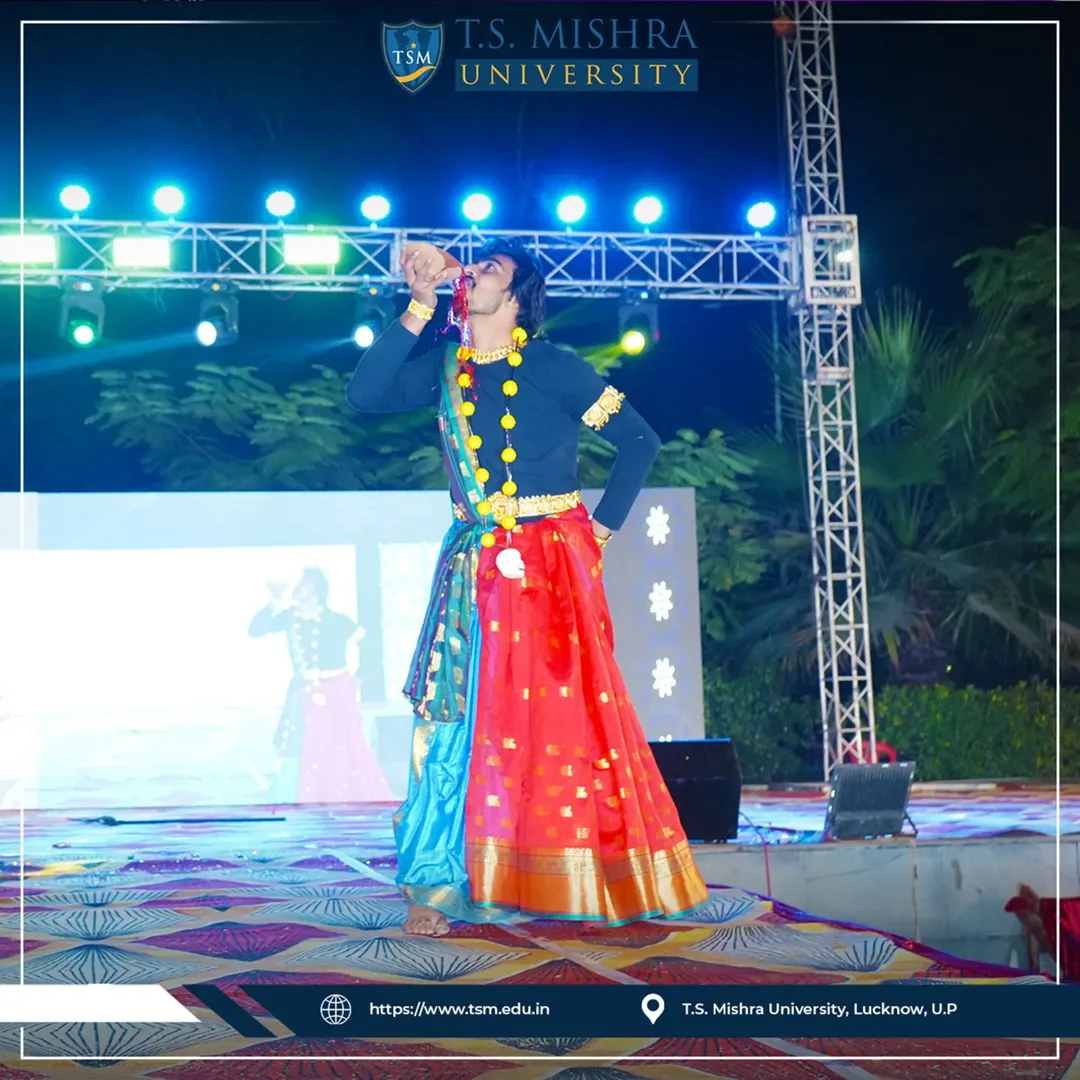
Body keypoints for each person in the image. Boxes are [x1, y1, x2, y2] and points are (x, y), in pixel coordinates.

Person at [347, 240, 708, 936]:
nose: (474, 272)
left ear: (516, 298)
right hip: (473, 571)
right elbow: (364, 394)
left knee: (562, 724)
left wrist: (597, 535)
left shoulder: (553, 366)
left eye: (490, 269)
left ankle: (571, 875)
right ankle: (440, 885)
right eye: (475, 266)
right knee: (460, 722)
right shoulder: (444, 370)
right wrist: (419, 305)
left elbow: (640, 443)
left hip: (552, 570)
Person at [248, 567, 393, 804]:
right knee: (307, 743)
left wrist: (359, 677)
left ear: (316, 591)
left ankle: (343, 796)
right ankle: (310, 796)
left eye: (304, 584)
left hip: (338, 691)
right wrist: (274, 602)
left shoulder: (337, 620)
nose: (297, 588)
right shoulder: (290, 617)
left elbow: (370, 645)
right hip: (305, 691)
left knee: (342, 742)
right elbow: (255, 630)